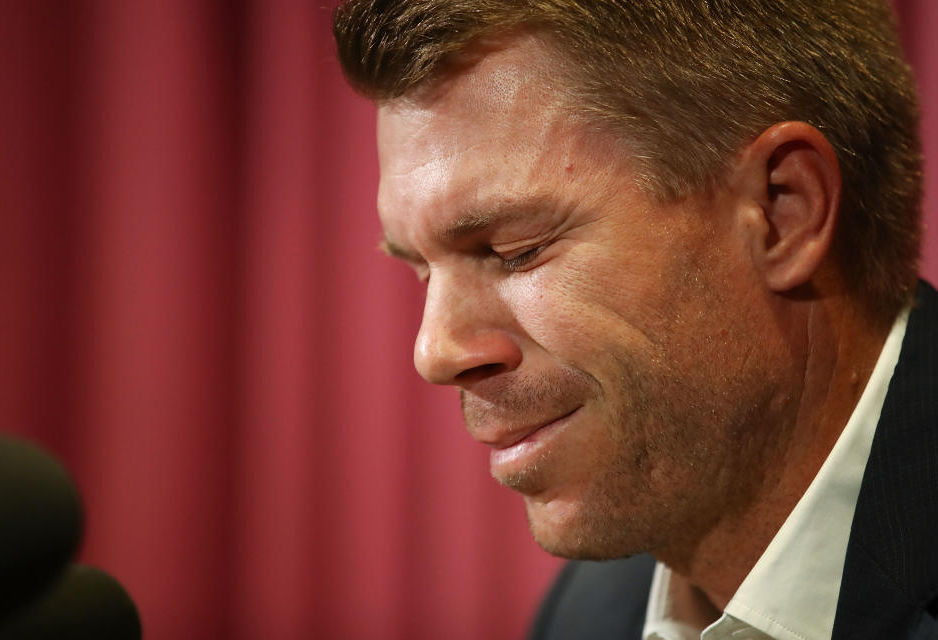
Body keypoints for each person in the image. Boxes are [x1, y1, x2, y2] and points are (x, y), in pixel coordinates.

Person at [332, 1, 937, 638]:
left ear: (781, 211)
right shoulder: (587, 613)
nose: (434, 352)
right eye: (422, 270)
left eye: (516, 251)